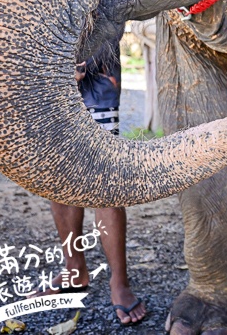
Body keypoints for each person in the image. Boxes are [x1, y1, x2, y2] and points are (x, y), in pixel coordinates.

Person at [38, 40, 147, 325]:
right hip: (50, 75)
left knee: (104, 183)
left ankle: (119, 283)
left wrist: (83, 62)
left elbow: (109, 12)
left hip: (96, 78)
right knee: (60, 177)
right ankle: (75, 269)